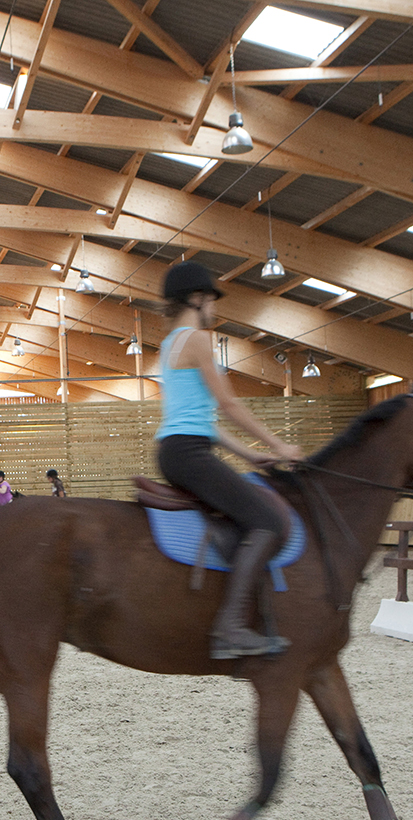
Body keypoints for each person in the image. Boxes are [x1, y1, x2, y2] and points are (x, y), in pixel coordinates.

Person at [155, 261, 303, 661]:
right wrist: (281, 445)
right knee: (270, 521)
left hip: (179, 448)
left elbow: (203, 419)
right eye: (211, 300)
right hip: (188, 452)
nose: (214, 309)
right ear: (197, 298)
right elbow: (228, 403)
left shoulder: (170, 345)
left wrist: (249, 453)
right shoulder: (198, 339)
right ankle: (231, 627)